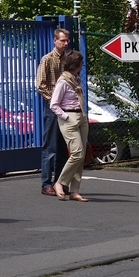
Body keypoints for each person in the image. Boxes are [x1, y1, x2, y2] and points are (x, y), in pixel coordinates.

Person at [49, 51, 89, 202]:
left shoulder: (76, 79)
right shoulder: (63, 81)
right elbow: (54, 104)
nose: (82, 65)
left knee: (81, 155)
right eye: (81, 62)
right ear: (75, 64)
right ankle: (60, 182)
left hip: (81, 116)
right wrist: (66, 117)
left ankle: (75, 191)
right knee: (77, 153)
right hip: (69, 117)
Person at [36, 28, 71, 196]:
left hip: (66, 107)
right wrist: (54, 100)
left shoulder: (68, 60)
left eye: (67, 40)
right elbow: (40, 85)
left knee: (63, 147)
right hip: (52, 107)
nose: (66, 43)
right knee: (50, 145)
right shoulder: (47, 60)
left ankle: (60, 182)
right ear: (55, 41)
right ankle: (46, 183)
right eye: (63, 40)